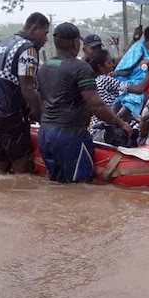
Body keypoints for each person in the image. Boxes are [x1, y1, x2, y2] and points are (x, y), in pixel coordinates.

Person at [36, 22, 133, 183]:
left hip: (45, 134)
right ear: (75, 43)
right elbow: (96, 105)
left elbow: (38, 99)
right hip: (70, 136)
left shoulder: (45, 67)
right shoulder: (80, 68)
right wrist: (120, 123)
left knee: (57, 184)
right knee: (80, 188)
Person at [0, 12, 49, 174]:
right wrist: (42, 120)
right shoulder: (28, 49)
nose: (45, 39)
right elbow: (28, 88)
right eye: (45, 33)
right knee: (22, 166)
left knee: (0, 165)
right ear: (34, 29)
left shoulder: (1, 45)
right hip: (8, 113)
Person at [87, 49, 149, 127]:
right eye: (109, 63)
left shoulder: (93, 81)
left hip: (95, 126)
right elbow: (138, 90)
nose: (112, 65)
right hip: (105, 127)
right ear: (100, 67)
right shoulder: (105, 80)